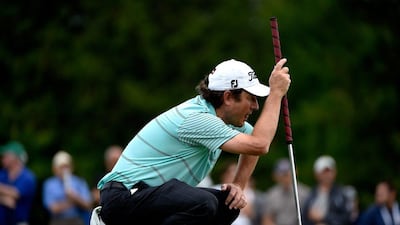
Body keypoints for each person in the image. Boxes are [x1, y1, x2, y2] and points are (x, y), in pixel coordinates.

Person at [97, 58, 291, 225]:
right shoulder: (197, 119)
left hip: (144, 196)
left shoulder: (217, 118)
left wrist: (238, 185)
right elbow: (259, 144)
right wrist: (275, 95)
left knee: (228, 205)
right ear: (228, 97)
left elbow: (254, 144)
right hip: (123, 199)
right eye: (251, 98)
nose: (256, 106)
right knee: (203, 202)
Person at [42, 150, 93, 225]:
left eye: (66, 166)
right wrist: (71, 201)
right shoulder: (49, 184)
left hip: (77, 220)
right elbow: (53, 209)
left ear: (72, 167)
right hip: (58, 221)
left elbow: (88, 205)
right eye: (61, 167)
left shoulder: (79, 182)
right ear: (54, 169)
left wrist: (75, 197)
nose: (64, 170)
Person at [302, 155, 352, 225]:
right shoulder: (310, 195)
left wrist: (324, 217)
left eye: (329, 171)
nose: (327, 175)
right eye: (324, 172)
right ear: (316, 174)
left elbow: (348, 219)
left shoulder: (343, 194)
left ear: (335, 172)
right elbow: (303, 219)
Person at [262, 158, 310, 225]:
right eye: (282, 174)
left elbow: (309, 218)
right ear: (275, 176)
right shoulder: (271, 195)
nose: (285, 177)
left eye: (287, 173)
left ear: (295, 172)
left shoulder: (305, 193)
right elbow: (267, 219)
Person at [0, 141, 36, 225]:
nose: (2, 159)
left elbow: (15, 193)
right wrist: (4, 200)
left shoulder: (28, 177)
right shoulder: (2, 174)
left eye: (5, 156)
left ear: (15, 157)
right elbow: (9, 200)